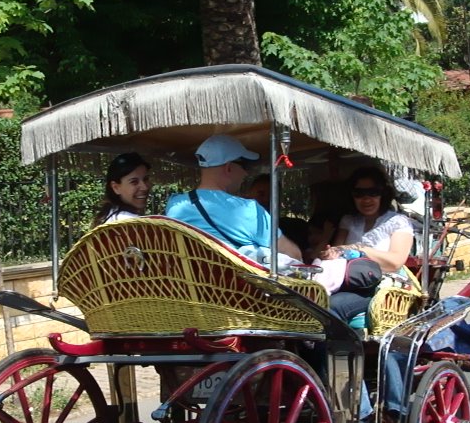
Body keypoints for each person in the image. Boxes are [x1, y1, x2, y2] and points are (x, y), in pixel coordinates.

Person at [165, 134, 303, 263]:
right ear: (228, 167)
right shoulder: (249, 210)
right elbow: (294, 255)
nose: (245, 173)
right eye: (245, 165)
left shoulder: (174, 205)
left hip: (187, 286)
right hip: (233, 287)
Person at [318, 165, 415, 321]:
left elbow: (395, 262)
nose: (366, 199)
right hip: (346, 281)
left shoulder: (398, 222)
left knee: (330, 306)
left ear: (382, 194)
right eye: (359, 194)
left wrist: (360, 248)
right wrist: (330, 253)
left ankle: (337, 345)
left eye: (373, 193)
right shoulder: (348, 220)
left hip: (380, 287)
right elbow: (338, 253)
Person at [91, 152, 152, 227]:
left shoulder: (112, 216)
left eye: (146, 179)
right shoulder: (129, 223)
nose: (144, 187)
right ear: (116, 187)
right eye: (134, 182)